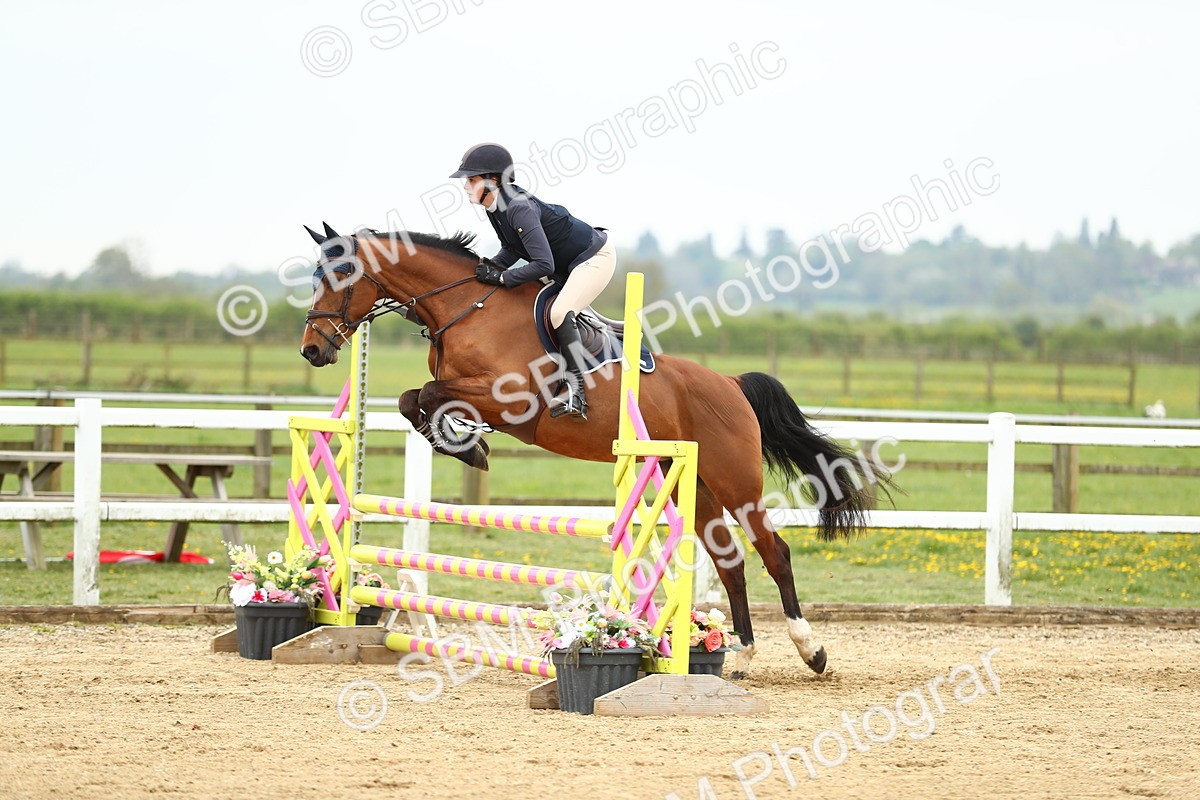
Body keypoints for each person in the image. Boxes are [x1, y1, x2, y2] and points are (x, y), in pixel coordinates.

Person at [450, 142, 615, 420]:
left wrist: (501, 277)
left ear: (493, 181)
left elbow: (543, 264)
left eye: (472, 179)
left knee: (561, 312)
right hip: (565, 265)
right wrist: (487, 269)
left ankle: (576, 392)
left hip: (592, 259)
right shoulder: (495, 206)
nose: (466, 185)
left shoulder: (518, 207)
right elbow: (512, 249)